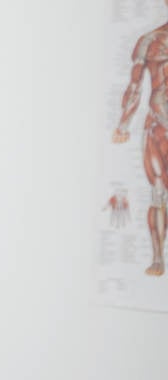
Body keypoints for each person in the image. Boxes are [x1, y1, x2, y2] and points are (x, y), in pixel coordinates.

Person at [117, 4, 168, 277]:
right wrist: (123, 124)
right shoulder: (149, 41)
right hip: (158, 127)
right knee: (158, 192)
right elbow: (135, 86)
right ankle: (158, 258)